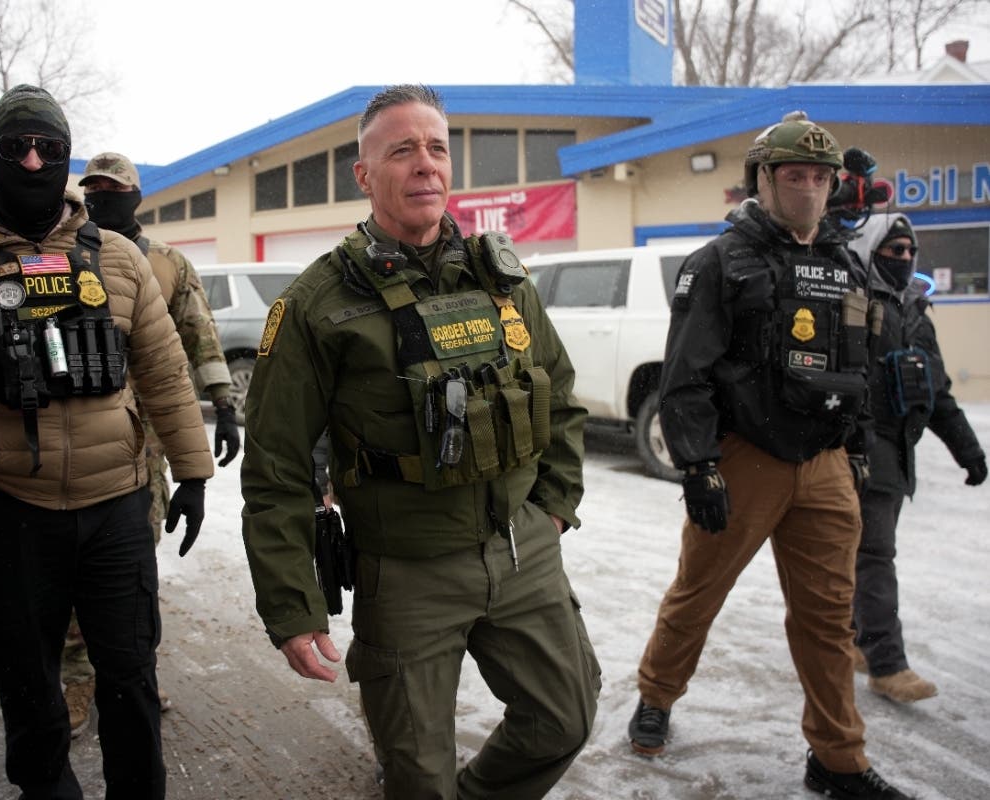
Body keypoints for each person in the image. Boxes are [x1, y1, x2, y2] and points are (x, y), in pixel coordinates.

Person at [241, 84, 600, 799]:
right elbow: (276, 464)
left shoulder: (501, 277)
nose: (425, 164)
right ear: (364, 174)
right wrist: (292, 606)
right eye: (401, 150)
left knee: (563, 719)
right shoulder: (318, 302)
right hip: (404, 573)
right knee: (417, 774)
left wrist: (552, 506)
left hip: (521, 550)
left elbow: (556, 391)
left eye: (436, 148)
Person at [0, 84, 213, 799]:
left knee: (129, 680)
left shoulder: (114, 255)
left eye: (48, 148)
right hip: (7, 502)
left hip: (114, 504)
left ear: (64, 156)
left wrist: (194, 470)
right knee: (28, 686)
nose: (31, 160)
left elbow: (165, 370)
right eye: (14, 146)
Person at [627, 111, 914, 799]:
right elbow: (685, 376)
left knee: (826, 616)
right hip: (744, 458)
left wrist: (858, 451)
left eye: (820, 178)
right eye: (794, 176)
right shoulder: (721, 262)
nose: (809, 190)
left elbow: (859, 364)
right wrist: (697, 464)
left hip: (823, 465)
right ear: (762, 180)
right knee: (698, 594)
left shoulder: (844, 265)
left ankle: (837, 758)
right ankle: (656, 695)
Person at [52, 151, 241, 734]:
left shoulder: (166, 265)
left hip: (148, 443)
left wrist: (226, 404)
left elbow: (200, 335)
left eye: (114, 189)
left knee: (132, 568)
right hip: (79, 438)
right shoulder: (58, 257)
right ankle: (78, 679)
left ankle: (134, 670)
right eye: (94, 189)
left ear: (136, 196)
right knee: (71, 567)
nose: (103, 198)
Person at [847, 213, 986, 702]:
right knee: (876, 558)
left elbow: (939, 393)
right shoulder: (855, 305)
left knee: (861, 556)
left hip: (900, 453)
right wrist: (857, 447)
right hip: (865, 452)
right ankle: (888, 665)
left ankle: (852, 640)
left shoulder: (916, 315)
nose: (903, 258)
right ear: (870, 250)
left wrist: (968, 452)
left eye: (909, 251)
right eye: (893, 249)